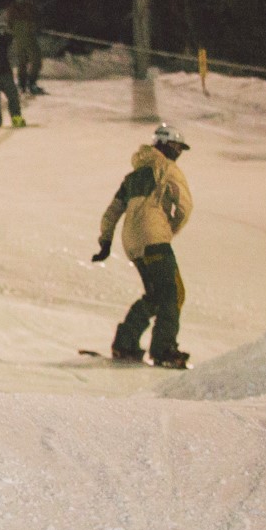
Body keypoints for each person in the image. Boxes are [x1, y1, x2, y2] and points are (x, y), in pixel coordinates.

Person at [94, 123, 195, 368]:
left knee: (155, 295)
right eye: (177, 147)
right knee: (173, 294)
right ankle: (164, 350)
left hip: (132, 242)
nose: (179, 153)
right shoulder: (167, 167)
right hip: (155, 239)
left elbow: (111, 212)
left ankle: (125, 343)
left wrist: (105, 242)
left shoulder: (133, 175)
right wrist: (168, 230)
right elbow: (184, 207)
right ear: (167, 145)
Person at [5, 0, 45, 95]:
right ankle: (30, 83)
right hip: (26, 35)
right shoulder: (26, 7)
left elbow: (10, 24)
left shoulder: (14, 8)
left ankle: (22, 84)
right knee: (35, 59)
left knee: (22, 61)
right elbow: (35, 20)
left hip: (19, 36)